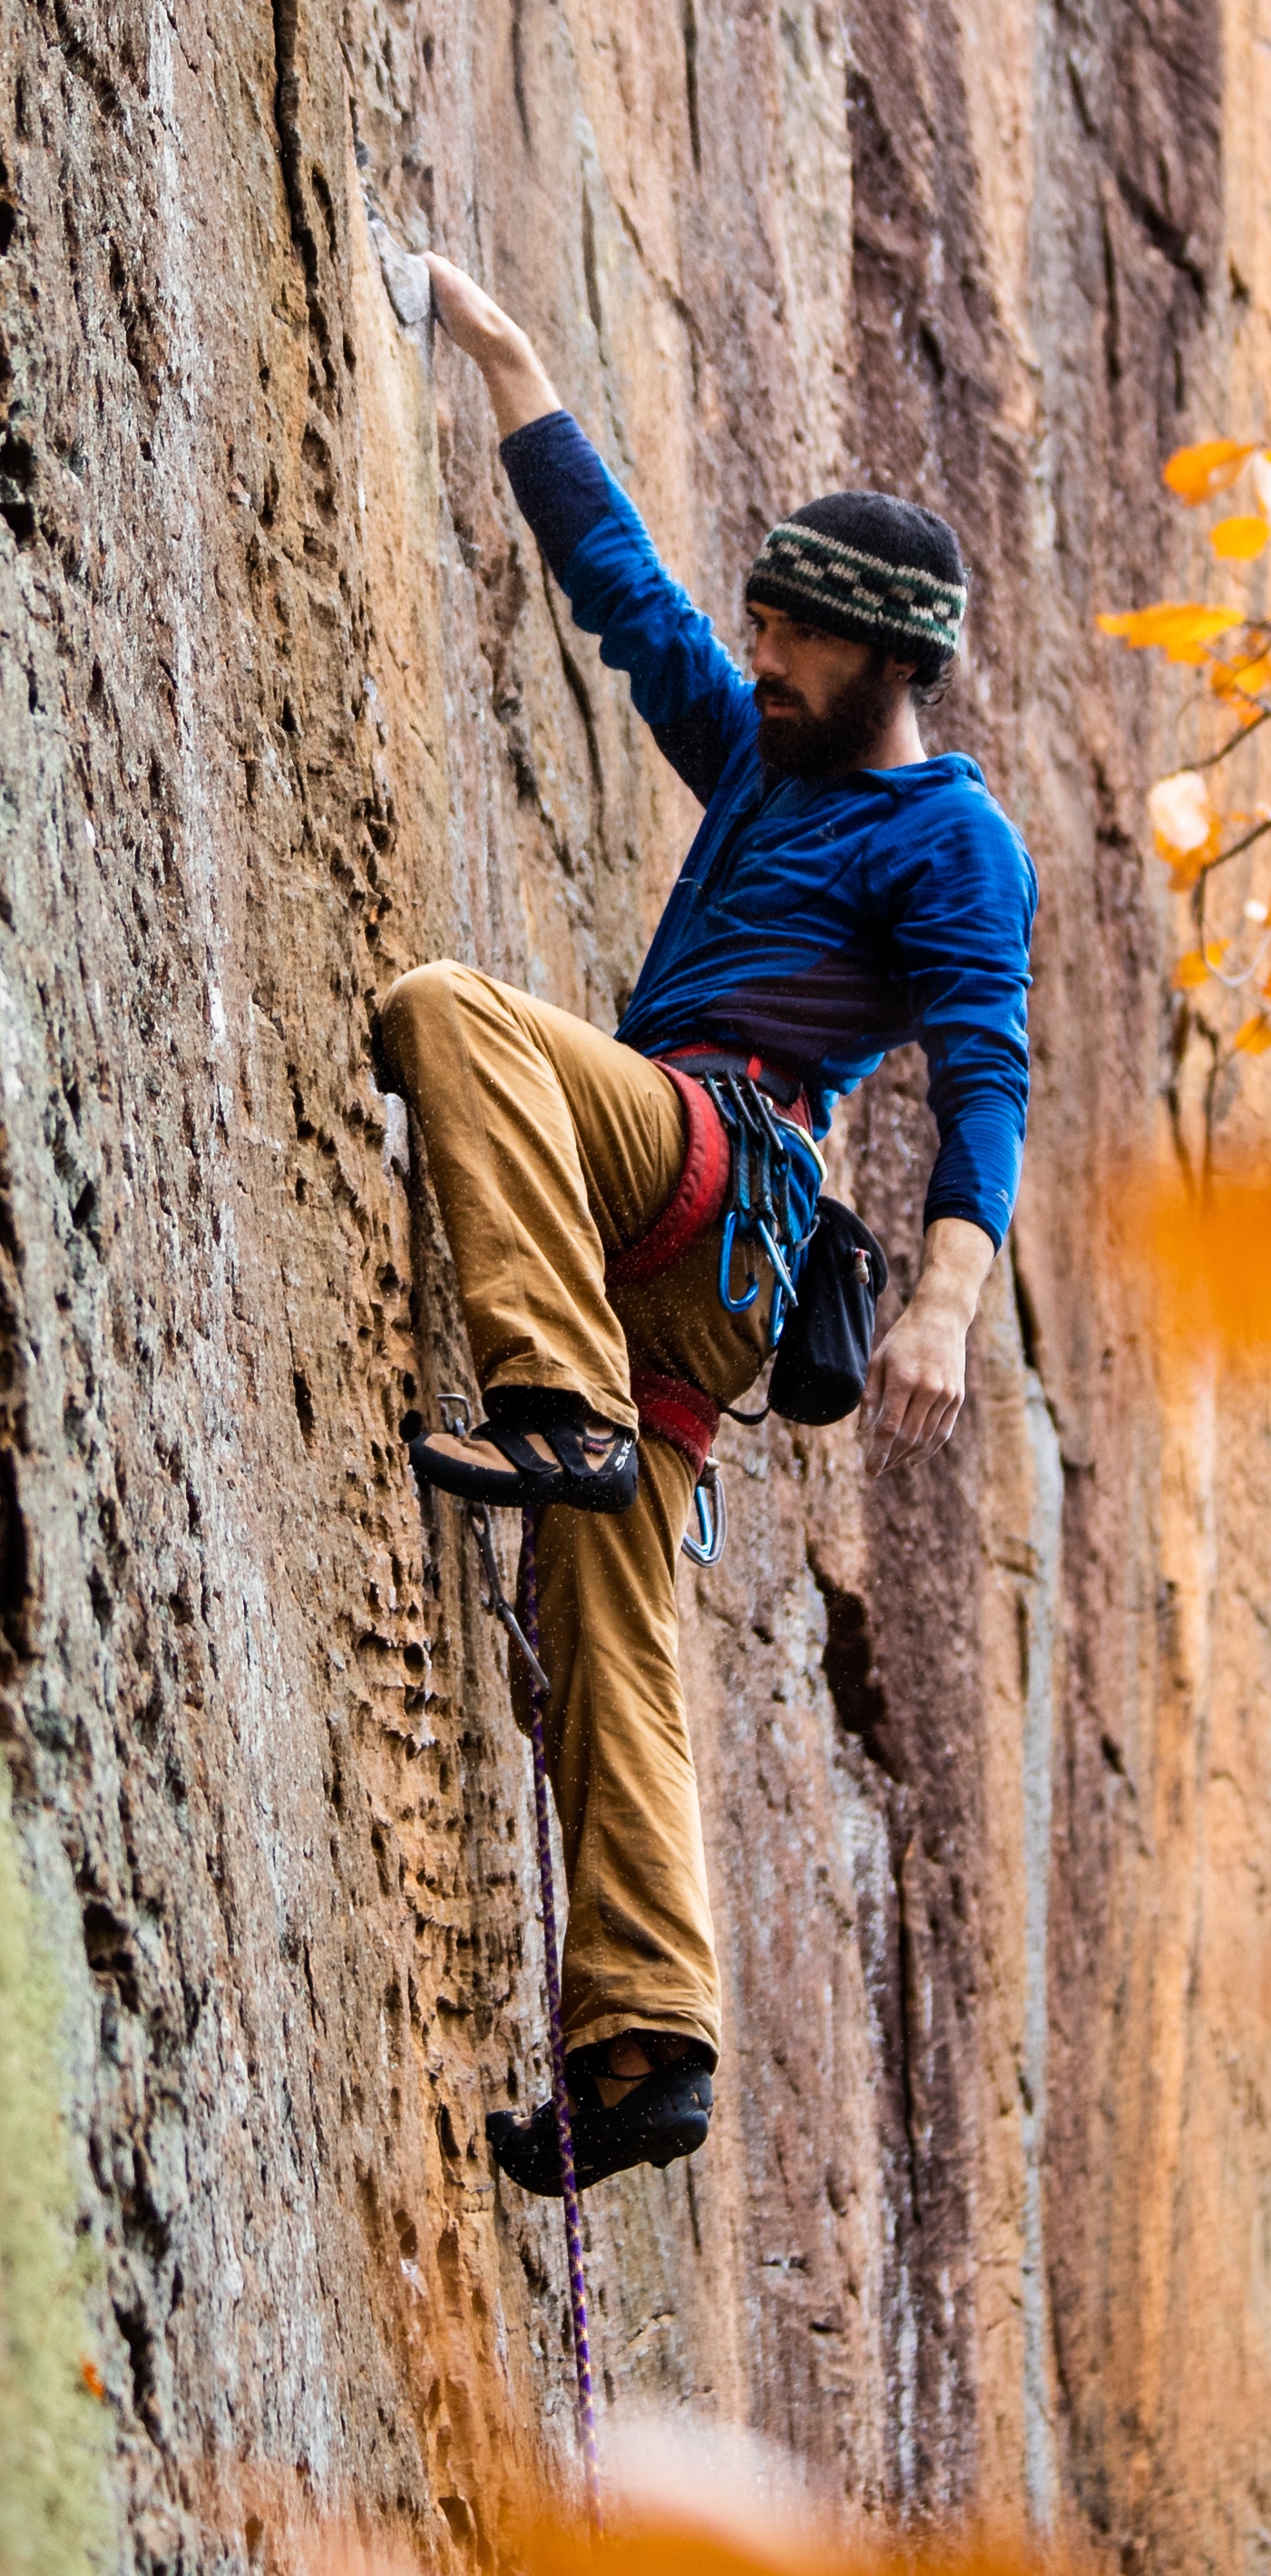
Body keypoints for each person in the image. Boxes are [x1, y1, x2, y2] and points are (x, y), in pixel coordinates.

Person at [382, 254, 1036, 2195]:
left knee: (449, 1016)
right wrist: (504, 356)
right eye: (758, 627)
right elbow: (627, 593)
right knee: (603, 1609)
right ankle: (650, 2041)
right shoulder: (760, 747)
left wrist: (944, 1303)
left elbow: (984, 1075)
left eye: (792, 638)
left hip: (718, 1181)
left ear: (885, 661)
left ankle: (560, 1403)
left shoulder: (952, 841)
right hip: (680, 1257)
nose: (754, 656)